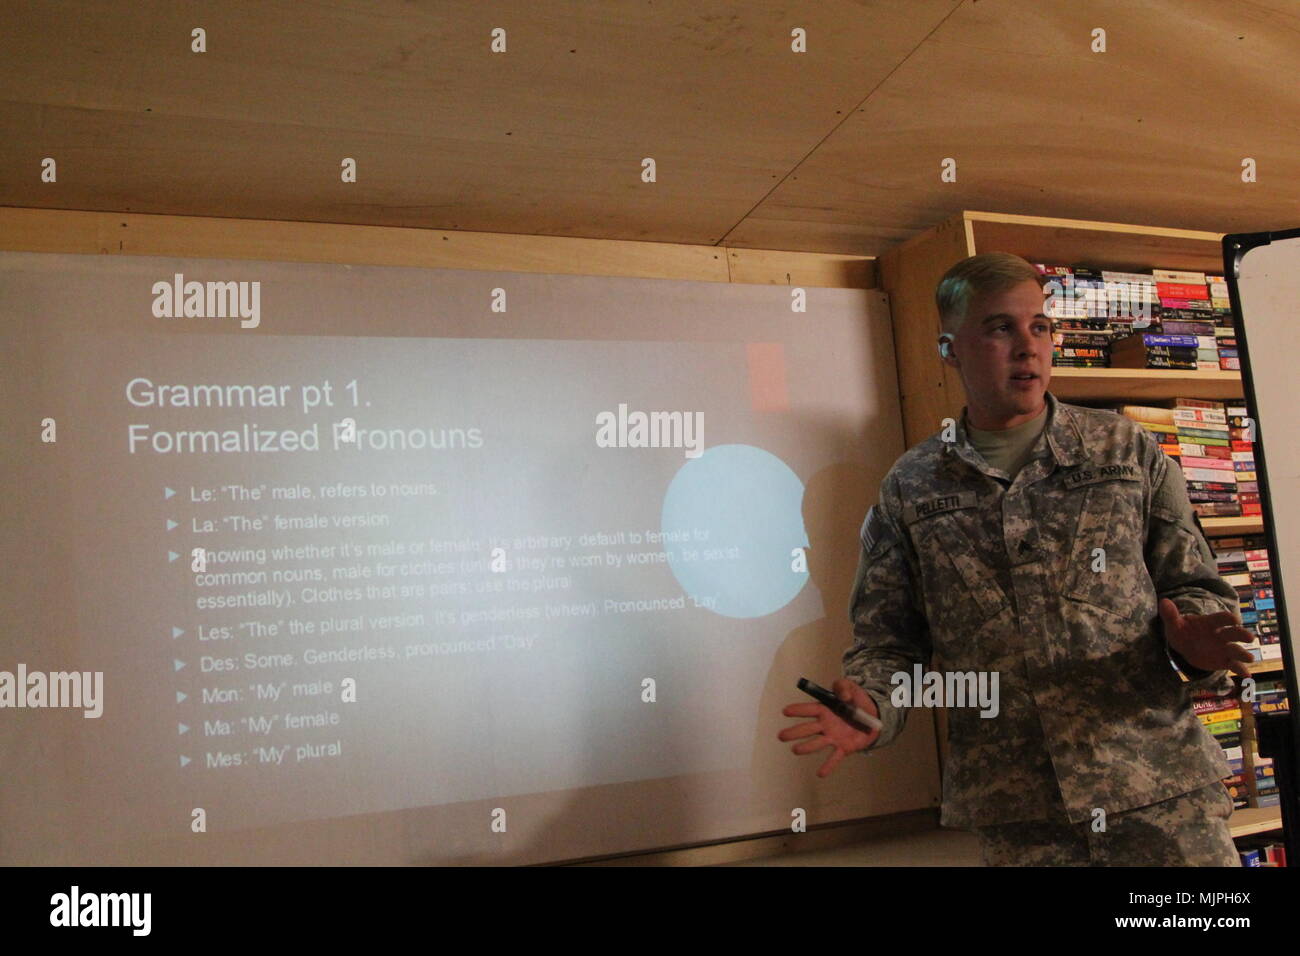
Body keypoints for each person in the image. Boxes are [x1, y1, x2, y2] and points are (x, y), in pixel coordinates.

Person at [779, 252, 1256, 866]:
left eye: (1040, 327)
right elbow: (889, 644)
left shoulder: (1124, 448)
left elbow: (1195, 587)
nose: (1028, 347)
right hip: (1021, 812)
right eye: (1001, 328)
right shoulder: (913, 485)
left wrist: (1197, 644)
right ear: (950, 350)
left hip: (1156, 791)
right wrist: (873, 705)